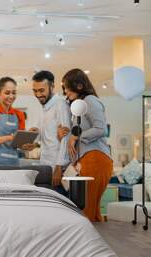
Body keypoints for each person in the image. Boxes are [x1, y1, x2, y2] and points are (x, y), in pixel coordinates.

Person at [61, 68, 113, 222]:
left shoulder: (90, 101)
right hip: (87, 159)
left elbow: (101, 129)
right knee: (91, 211)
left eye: (66, 87)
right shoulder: (78, 106)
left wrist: (76, 137)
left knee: (87, 211)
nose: (65, 91)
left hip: (96, 158)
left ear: (78, 85)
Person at [22, 71, 71, 196]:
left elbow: (65, 138)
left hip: (58, 168)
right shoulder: (44, 108)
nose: (38, 94)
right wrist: (33, 140)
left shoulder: (61, 104)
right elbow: (41, 134)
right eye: (35, 91)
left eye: (41, 90)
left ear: (52, 87)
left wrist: (59, 167)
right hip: (46, 165)